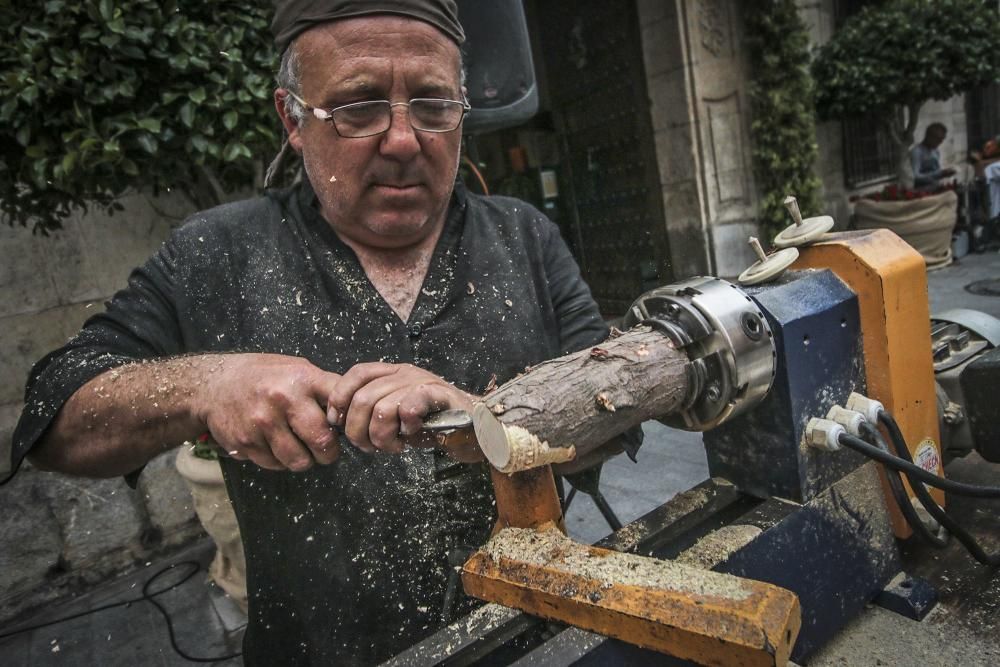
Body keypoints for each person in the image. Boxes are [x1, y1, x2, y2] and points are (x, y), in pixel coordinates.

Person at [8, 2, 620, 664]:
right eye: (358, 109)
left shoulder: (526, 236)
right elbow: (55, 412)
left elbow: (616, 409)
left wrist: (487, 418)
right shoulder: (216, 253)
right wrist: (206, 382)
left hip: (534, 641)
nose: (404, 139)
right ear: (292, 118)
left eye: (433, 104)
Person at [911, 122, 956, 189]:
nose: (941, 142)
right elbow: (916, 177)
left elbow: (936, 171)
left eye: (942, 139)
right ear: (929, 137)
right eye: (938, 139)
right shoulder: (917, 152)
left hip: (936, 188)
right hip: (922, 192)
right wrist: (940, 174)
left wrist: (946, 173)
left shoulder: (935, 151)